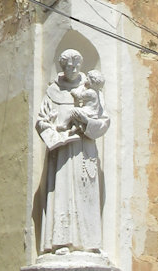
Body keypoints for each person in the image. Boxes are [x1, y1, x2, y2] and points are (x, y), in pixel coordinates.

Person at [35, 49, 110, 253]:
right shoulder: (53, 92)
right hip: (61, 153)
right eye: (69, 66)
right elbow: (41, 121)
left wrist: (87, 122)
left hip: (84, 150)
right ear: (62, 67)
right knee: (62, 193)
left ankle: (90, 243)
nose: (74, 69)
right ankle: (61, 242)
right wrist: (55, 136)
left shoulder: (91, 90)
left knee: (87, 194)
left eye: (77, 65)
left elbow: (104, 120)